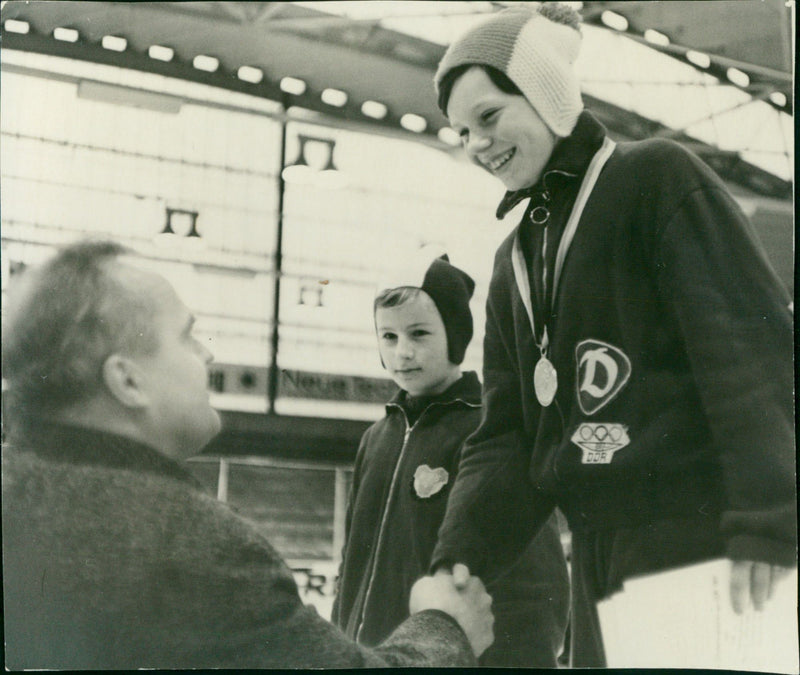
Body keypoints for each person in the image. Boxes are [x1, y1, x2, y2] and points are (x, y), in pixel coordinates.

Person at [427, 3, 796, 667]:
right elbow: (506, 435)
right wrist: (459, 555)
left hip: (702, 541)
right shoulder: (516, 259)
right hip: (597, 557)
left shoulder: (654, 180)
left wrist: (769, 521)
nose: (477, 143)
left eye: (489, 117)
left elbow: (748, 355)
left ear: (548, 97)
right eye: (462, 132)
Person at [1, 239, 494, 670]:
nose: (208, 354)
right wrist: (447, 627)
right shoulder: (194, 546)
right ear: (127, 380)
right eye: (187, 335)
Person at [332, 253, 570, 667]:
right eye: (388, 337)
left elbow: (538, 585)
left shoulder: (491, 434)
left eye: (419, 333)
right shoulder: (375, 440)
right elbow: (350, 566)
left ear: (457, 335)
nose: (402, 352)